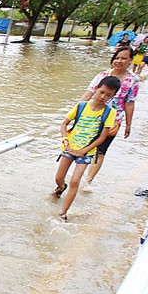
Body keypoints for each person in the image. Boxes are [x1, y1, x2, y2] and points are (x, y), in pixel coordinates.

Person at [53, 76, 120, 220]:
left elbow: (102, 137)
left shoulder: (110, 112)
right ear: (96, 89)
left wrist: (84, 150)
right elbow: (64, 124)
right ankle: (60, 188)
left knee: (75, 181)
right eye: (102, 92)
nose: (103, 97)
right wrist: (65, 141)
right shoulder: (81, 106)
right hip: (70, 147)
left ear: (113, 96)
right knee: (59, 178)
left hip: (87, 151)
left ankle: (63, 212)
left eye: (109, 95)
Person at [78, 46, 140, 188]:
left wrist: (128, 124)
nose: (119, 61)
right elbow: (88, 93)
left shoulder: (133, 80)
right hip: (91, 117)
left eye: (124, 58)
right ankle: (77, 176)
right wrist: (76, 112)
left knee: (100, 151)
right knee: (84, 146)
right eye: (117, 57)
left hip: (112, 121)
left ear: (130, 60)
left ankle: (87, 181)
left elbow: (129, 102)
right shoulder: (102, 75)